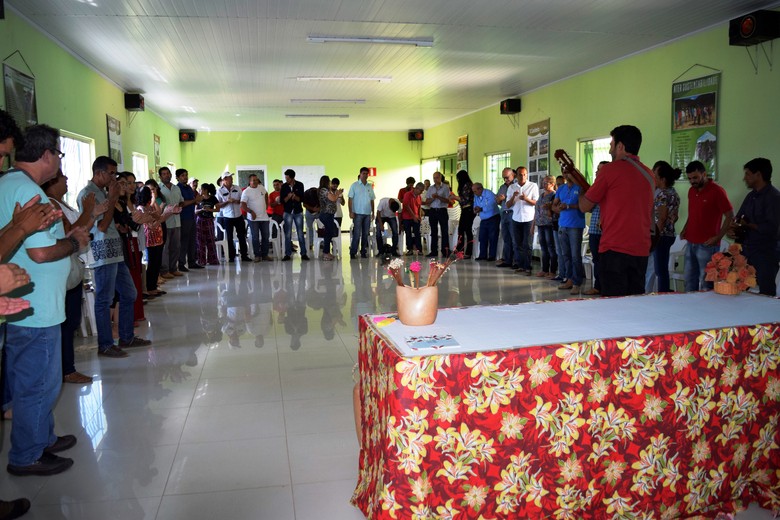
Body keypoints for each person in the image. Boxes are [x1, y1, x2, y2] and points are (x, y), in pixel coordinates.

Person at [0, 124, 89, 477]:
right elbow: (39, 253)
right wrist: (75, 243)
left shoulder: (9, 183)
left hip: (25, 302)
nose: (59, 162)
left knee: (33, 379)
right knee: (38, 384)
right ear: (47, 155)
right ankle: (26, 455)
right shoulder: (28, 191)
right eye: (59, 154)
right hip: (35, 306)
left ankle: (43, 436)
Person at [79, 156, 151, 358]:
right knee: (104, 299)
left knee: (129, 294)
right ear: (99, 173)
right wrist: (111, 199)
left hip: (115, 251)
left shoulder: (103, 192)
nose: (114, 177)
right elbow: (101, 226)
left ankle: (126, 337)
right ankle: (105, 345)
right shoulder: (88, 195)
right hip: (102, 253)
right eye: (111, 173)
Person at [43, 169, 107, 384]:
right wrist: (88, 210)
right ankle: (65, 369)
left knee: (71, 320)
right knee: (66, 322)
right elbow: (69, 231)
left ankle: (67, 368)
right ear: (52, 181)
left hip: (73, 265)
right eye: (63, 177)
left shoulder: (62, 203)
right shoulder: (50, 203)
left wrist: (93, 214)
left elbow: (79, 231)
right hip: (62, 268)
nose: (67, 179)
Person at [579, 125, 655, 297]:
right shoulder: (649, 174)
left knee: (613, 304)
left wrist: (580, 189)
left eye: (611, 144)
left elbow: (585, 206)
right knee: (634, 301)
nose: (609, 149)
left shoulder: (609, 170)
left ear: (620, 146)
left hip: (615, 248)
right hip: (641, 249)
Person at [679, 160, 733, 292]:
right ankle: (690, 309)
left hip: (708, 245)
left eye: (695, 177)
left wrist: (718, 237)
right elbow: (693, 213)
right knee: (689, 279)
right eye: (690, 178)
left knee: (707, 283)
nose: (692, 181)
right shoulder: (692, 191)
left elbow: (730, 215)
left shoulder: (717, 191)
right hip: (691, 242)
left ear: (704, 174)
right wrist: (685, 228)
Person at [731, 158, 780, 296]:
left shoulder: (774, 197)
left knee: (766, 292)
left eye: (747, 174)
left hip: (765, 253)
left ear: (758, 174)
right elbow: (740, 218)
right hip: (746, 250)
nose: (744, 178)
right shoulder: (750, 196)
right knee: (739, 290)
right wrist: (735, 228)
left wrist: (749, 225)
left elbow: (773, 228)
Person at [554, 168, 586, 295]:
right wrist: (556, 208)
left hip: (576, 225)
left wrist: (568, 206)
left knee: (575, 255)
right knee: (565, 254)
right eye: (564, 173)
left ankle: (577, 282)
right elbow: (554, 204)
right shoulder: (561, 188)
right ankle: (569, 279)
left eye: (568, 172)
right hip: (562, 224)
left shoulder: (580, 187)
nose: (566, 175)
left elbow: (584, 205)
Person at [651, 161, 681, 293]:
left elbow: (662, 218)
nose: (653, 178)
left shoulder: (663, 194)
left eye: (655, 175)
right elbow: (675, 216)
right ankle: (664, 292)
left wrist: (655, 236)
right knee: (661, 267)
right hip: (669, 234)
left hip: (661, 235)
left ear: (662, 179)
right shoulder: (673, 192)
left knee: (660, 269)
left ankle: (663, 294)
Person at [506, 166, 538, 274]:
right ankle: (520, 265)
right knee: (517, 243)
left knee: (527, 244)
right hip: (516, 219)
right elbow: (507, 205)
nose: (522, 176)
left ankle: (528, 267)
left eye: (525, 174)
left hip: (528, 219)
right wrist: (513, 197)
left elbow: (536, 203)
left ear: (527, 175)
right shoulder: (511, 187)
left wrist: (526, 199)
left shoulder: (533, 186)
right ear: (516, 175)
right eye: (520, 174)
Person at [583, 161, 609, 294]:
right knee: (596, 259)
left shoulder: (611, 188)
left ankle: (605, 286)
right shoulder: (595, 187)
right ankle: (598, 286)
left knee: (606, 260)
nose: (597, 172)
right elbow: (589, 207)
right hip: (594, 229)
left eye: (601, 170)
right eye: (597, 170)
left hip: (607, 230)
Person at [216, 172, 251, 263]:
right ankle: (231, 257)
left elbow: (243, 200)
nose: (231, 179)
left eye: (231, 177)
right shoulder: (220, 191)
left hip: (238, 216)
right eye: (229, 178)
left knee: (242, 236)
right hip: (227, 217)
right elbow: (218, 205)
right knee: (229, 237)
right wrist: (227, 202)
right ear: (224, 180)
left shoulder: (237, 188)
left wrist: (236, 201)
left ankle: (244, 255)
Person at [157, 166, 184, 276]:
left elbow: (181, 201)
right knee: (165, 248)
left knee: (176, 247)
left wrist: (179, 207)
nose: (167, 175)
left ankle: (173, 268)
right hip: (165, 222)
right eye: (164, 174)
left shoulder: (176, 188)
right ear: (160, 176)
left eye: (168, 173)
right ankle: (165, 270)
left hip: (177, 221)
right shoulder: (158, 189)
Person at [177, 168, 203, 270]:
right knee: (184, 241)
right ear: (178, 177)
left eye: (186, 175)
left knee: (192, 240)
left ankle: (192, 262)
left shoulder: (188, 188)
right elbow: (181, 204)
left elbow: (194, 201)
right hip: (184, 217)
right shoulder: (178, 188)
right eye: (183, 175)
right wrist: (194, 200)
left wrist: (198, 200)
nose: (185, 177)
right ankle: (181, 263)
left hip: (192, 217)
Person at [241, 174, 271, 261]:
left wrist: (266, 204)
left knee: (266, 236)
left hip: (264, 217)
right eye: (252, 180)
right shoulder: (246, 191)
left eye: (256, 180)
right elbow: (242, 205)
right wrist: (250, 212)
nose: (254, 182)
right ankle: (257, 255)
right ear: (249, 182)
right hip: (253, 219)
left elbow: (266, 194)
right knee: (255, 237)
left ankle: (265, 255)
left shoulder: (261, 187)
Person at [532, 175, 558, 279]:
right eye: (543, 182)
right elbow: (536, 210)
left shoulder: (554, 195)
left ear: (552, 184)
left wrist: (549, 209)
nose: (544, 184)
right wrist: (533, 225)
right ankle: (544, 269)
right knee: (543, 248)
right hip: (540, 223)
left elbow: (554, 211)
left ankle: (552, 271)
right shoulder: (541, 195)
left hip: (549, 224)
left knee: (551, 247)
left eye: (546, 182)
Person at [280, 169, 308, 261]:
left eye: (287, 178)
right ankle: (287, 254)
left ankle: (303, 253)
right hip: (287, 212)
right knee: (287, 234)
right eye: (285, 178)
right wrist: (288, 197)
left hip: (298, 212)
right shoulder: (284, 186)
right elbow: (282, 200)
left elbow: (302, 199)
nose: (286, 179)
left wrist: (295, 197)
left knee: (300, 233)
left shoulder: (300, 185)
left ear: (292, 178)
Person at [348, 167, 376, 259]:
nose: (365, 175)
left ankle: (363, 251)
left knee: (365, 234)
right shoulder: (354, 185)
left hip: (367, 213)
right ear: (360, 174)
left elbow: (372, 200)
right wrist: (350, 212)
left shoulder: (369, 186)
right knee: (356, 234)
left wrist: (373, 212)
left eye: (366, 174)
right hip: (357, 213)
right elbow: (350, 199)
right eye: (363, 173)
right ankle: (353, 252)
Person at [424, 171, 450, 258]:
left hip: (442, 210)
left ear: (440, 178)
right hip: (433, 211)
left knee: (444, 231)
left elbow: (448, 201)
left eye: (437, 178)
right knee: (433, 231)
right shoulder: (431, 188)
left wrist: (438, 197)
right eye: (434, 178)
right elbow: (427, 201)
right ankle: (433, 251)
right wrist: (432, 198)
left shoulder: (445, 187)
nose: (435, 179)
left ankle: (445, 251)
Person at [472, 183, 500, 261]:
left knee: (492, 237)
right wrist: (475, 208)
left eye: (475, 191)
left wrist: (481, 209)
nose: (474, 193)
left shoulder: (489, 194)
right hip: (483, 219)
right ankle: (482, 255)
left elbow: (491, 205)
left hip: (493, 217)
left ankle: (492, 256)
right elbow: (475, 204)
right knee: (482, 237)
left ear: (480, 189)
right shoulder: (476, 195)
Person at [195, 183, 220, 266]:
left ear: (205, 190)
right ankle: (201, 260)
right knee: (200, 241)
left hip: (209, 220)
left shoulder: (213, 198)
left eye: (201, 189)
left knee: (210, 240)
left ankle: (212, 260)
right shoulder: (198, 198)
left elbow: (218, 209)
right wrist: (201, 210)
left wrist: (210, 210)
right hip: (200, 221)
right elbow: (195, 211)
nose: (200, 190)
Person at [496, 168, 516, 266]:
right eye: (504, 178)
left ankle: (516, 261)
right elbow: (498, 201)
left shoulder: (517, 186)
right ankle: (507, 260)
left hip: (513, 213)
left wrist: (506, 198)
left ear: (513, 175)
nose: (505, 180)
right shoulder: (502, 187)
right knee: (506, 238)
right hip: (504, 213)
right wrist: (499, 199)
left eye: (507, 177)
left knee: (514, 238)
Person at [318, 175, 341, 261]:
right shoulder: (324, 190)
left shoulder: (326, 190)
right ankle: (326, 253)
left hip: (329, 214)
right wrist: (338, 193)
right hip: (326, 214)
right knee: (329, 233)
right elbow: (333, 198)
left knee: (329, 232)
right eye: (329, 181)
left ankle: (326, 252)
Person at [452, 170, 475, 258]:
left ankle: (468, 252)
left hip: (469, 209)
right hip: (464, 209)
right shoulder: (465, 185)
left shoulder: (467, 185)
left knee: (467, 230)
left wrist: (454, 197)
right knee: (461, 229)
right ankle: (460, 249)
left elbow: (465, 199)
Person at [401, 183, 424, 255]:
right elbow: (406, 206)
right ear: (416, 188)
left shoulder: (419, 196)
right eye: (421, 190)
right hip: (407, 217)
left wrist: (419, 216)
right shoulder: (407, 194)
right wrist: (413, 216)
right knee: (408, 233)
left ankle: (419, 249)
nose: (421, 192)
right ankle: (410, 249)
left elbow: (419, 206)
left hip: (416, 217)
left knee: (417, 233)